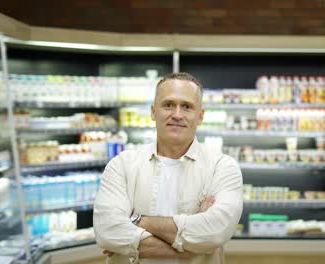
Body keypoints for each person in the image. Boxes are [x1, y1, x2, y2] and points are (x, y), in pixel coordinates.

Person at [93, 72, 243, 264]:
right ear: (153, 112)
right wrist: (192, 248)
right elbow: (107, 231)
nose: (177, 114)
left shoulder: (222, 168)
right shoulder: (122, 165)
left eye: (187, 106)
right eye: (168, 105)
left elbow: (214, 234)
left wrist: (136, 220)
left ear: (200, 116)